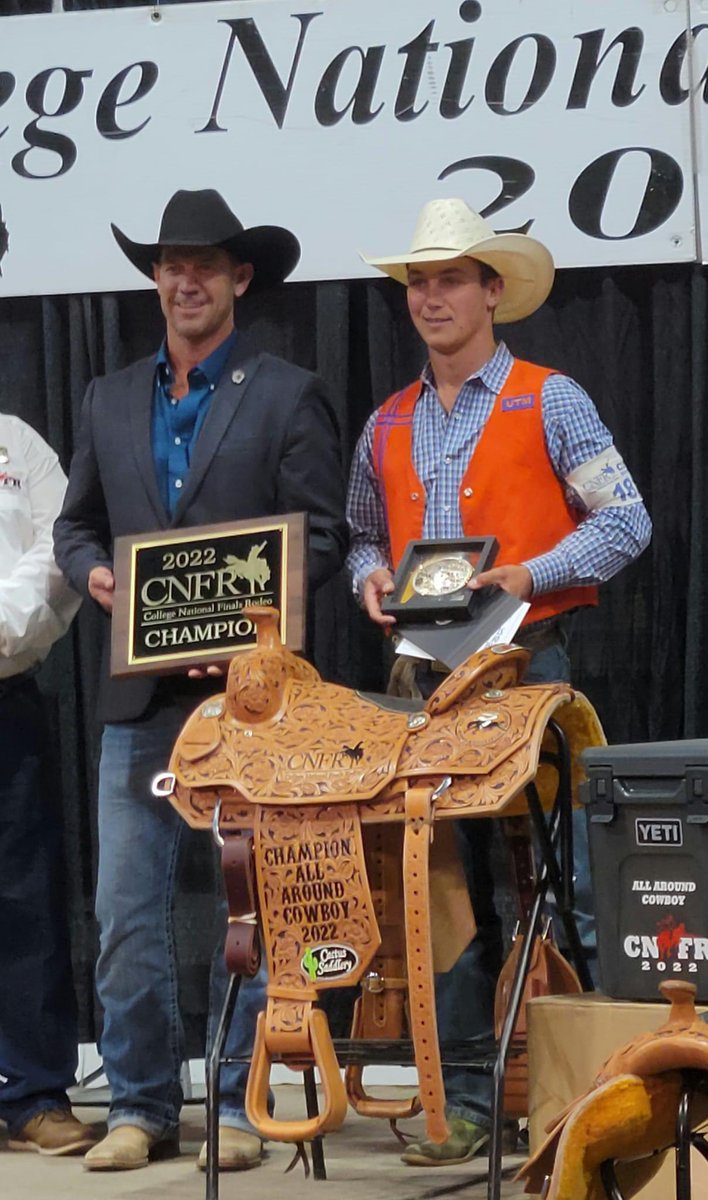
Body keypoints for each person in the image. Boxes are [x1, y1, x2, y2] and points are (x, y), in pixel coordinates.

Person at [346, 197, 652, 1165]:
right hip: (420, 676)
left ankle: (609, 1088)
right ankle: (472, 1100)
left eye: (449, 279)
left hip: (530, 665)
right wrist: (365, 579)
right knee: (442, 889)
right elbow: (361, 532)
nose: (431, 297)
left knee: (563, 885)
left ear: (491, 291)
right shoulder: (387, 419)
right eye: (419, 282)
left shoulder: (550, 398)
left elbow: (626, 521)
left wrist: (528, 573)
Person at [54, 189, 347, 1172]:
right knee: (125, 913)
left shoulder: (286, 390)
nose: (186, 281)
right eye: (172, 265)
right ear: (156, 279)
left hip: (254, 703)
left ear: (239, 280)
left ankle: (237, 1101)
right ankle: (140, 1106)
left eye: (206, 266)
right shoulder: (105, 397)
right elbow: (76, 524)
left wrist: (258, 623)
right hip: (140, 707)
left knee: (251, 911)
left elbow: (324, 534)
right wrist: (92, 574)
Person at [0, 414, 93, 1155]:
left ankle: (34, 1092)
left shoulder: (15, 441)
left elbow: (58, 547)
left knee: (25, 899)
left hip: (5, 688)